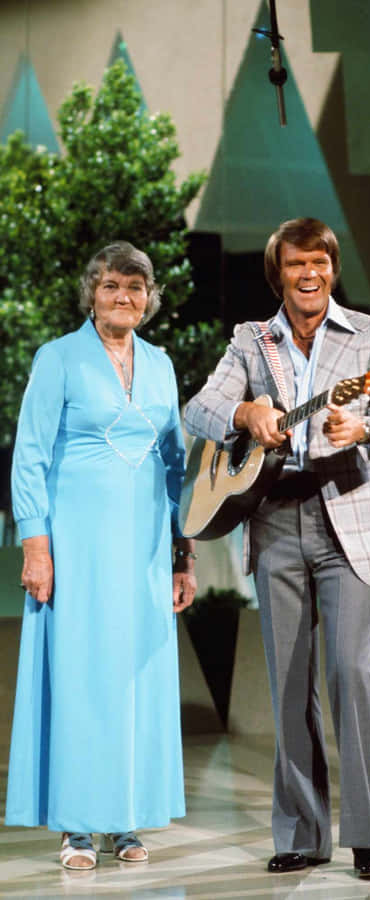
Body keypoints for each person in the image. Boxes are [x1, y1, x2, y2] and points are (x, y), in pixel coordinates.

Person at [184, 217, 370, 878]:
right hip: (275, 519)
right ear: (278, 274)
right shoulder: (251, 342)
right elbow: (198, 410)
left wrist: (361, 430)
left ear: (332, 268)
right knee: (290, 686)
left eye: (319, 262)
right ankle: (300, 834)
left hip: (347, 515)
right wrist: (244, 414)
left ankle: (367, 833)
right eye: (296, 265)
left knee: (350, 672)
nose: (309, 275)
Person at [6, 241, 197, 870]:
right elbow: (29, 454)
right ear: (93, 290)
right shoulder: (58, 358)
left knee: (135, 679)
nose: (125, 297)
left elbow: (176, 464)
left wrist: (182, 551)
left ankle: (125, 818)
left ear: (149, 298)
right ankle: (76, 827)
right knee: (81, 677)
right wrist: (36, 544)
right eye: (113, 285)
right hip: (76, 543)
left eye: (136, 288)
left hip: (143, 545)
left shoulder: (162, 365)